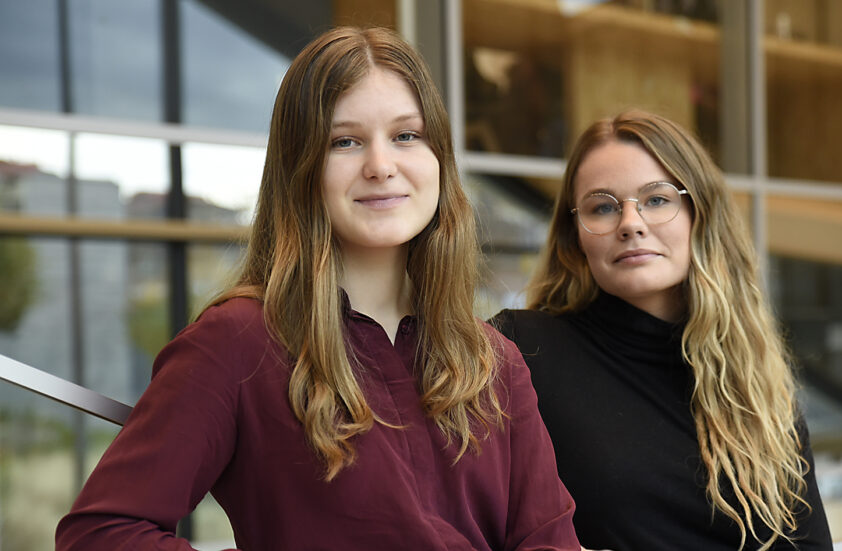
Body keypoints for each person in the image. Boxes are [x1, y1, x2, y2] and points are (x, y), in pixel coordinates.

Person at [56, 26, 579, 551]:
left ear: (439, 158)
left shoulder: (494, 362)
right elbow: (101, 535)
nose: (381, 166)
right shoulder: (239, 342)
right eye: (344, 141)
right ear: (300, 169)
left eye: (406, 136)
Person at [491, 110, 833, 550]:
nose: (631, 224)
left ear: (699, 215)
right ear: (576, 236)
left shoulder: (756, 386)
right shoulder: (521, 351)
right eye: (602, 207)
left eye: (656, 199)